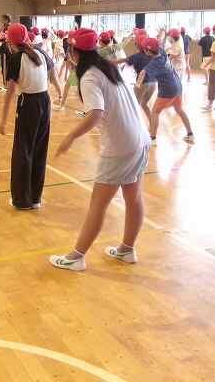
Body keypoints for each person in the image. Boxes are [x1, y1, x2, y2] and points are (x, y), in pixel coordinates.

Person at [50, 28, 151, 272]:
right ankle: (127, 249)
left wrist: (70, 137)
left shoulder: (89, 77)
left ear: (74, 52)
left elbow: (96, 113)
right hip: (140, 138)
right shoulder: (108, 67)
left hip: (120, 146)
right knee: (133, 197)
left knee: (98, 204)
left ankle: (76, 257)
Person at [0, 23, 53, 210]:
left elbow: (10, 91)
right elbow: (49, 74)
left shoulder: (16, 58)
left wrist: (3, 120)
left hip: (29, 103)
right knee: (39, 150)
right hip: (44, 101)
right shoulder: (39, 53)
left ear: (10, 41)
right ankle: (35, 198)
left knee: (23, 151)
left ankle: (22, 200)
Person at [136, 37, 195, 145]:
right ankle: (190, 135)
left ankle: (152, 138)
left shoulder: (154, 63)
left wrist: (137, 86)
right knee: (179, 110)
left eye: (144, 49)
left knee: (155, 112)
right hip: (178, 85)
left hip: (168, 90)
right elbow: (160, 42)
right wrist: (162, 34)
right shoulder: (162, 52)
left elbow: (142, 73)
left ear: (148, 51)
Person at [118, 30, 156, 123]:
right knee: (144, 104)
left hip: (143, 83)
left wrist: (106, 62)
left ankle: (133, 125)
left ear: (138, 45)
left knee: (133, 105)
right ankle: (152, 123)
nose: (134, 44)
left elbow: (122, 61)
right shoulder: (153, 55)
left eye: (135, 43)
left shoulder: (137, 56)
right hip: (154, 83)